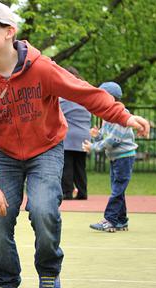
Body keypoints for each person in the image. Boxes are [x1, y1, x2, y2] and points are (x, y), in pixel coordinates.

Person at [0, 0, 150, 288]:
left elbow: (85, 93)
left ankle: (48, 271)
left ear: (9, 32)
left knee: (44, 209)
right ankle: (6, 280)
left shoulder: (41, 69)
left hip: (45, 148)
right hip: (5, 154)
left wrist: (123, 116)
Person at [84, 82, 138, 233]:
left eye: (101, 97)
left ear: (110, 97)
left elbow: (114, 140)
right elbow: (106, 136)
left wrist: (94, 147)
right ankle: (121, 220)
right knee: (118, 189)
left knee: (117, 189)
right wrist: (97, 135)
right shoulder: (107, 115)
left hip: (124, 158)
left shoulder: (121, 113)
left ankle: (110, 220)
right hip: (116, 158)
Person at [60, 67, 91, 200]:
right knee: (80, 167)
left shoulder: (64, 97)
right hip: (84, 136)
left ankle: (67, 192)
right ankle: (82, 192)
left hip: (68, 136)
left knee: (67, 166)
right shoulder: (85, 95)